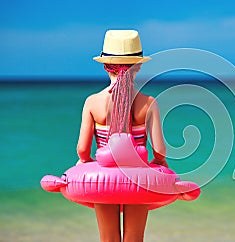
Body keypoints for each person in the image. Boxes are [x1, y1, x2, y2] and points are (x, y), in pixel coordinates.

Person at [76, 30, 168, 242]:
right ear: (140, 66)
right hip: (138, 179)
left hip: (104, 178)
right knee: (134, 238)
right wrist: (159, 164)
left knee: (108, 238)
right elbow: (160, 150)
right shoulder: (149, 103)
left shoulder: (92, 102)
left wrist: (86, 164)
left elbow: (82, 149)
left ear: (105, 65)